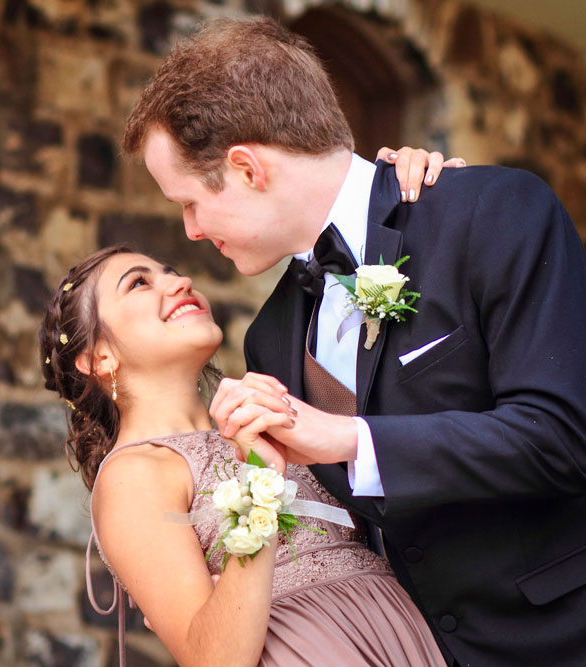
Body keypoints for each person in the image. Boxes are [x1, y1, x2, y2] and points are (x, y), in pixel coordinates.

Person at [121, 16, 586, 667]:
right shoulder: (271, 337)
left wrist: (346, 438)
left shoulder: (492, 211)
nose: (191, 231)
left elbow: (562, 436)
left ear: (248, 167)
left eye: (191, 202)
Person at [39, 244, 450, 666]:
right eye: (140, 283)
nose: (180, 282)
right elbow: (214, 659)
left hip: (401, 637)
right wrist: (260, 481)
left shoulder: (266, 425)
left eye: (170, 271)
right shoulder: (132, 476)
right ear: (99, 357)